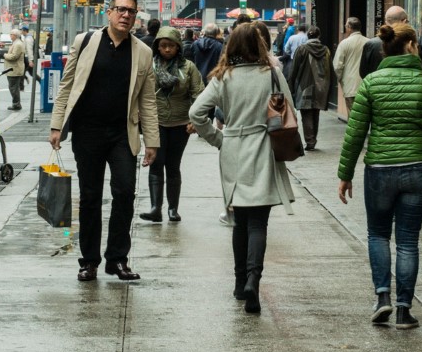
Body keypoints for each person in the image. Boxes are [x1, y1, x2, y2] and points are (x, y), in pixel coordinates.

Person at [338, 23, 422, 329]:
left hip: (378, 170)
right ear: (411, 45)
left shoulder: (371, 83)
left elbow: (355, 133)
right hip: (418, 170)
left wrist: (345, 174)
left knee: (378, 235)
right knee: (407, 241)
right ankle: (404, 309)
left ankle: (382, 298)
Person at [49, 0, 159, 282]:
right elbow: (66, 85)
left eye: (131, 12)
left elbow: (147, 101)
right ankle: (89, 261)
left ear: (136, 18)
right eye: (120, 10)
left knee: (124, 193)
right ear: (109, 12)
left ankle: (117, 259)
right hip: (88, 132)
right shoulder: (84, 43)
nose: (125, 15)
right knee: (90, 197)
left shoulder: (143, 53)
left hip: (123, 134)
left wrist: (152, 141)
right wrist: (57, 125)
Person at [190, 24, 296, 314]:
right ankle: (253, 281)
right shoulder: (272, 75)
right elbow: (291, 111)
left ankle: (239, 283)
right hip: (264, 148)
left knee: (240, 221)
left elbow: (196, 113)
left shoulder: (223, 77)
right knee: (259, 222)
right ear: (260, 45)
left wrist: (217, 138)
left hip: (233, 148)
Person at [140, 26, 205, 223]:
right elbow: (141, 94)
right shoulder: (149, 66)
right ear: (157, 47)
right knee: (156, 163)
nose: (167, 50)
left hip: (180, 124)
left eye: (171, 46)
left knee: (173, 165)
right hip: (155, 123)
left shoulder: (189, 68)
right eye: (163, 46)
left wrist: (195, 120)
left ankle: (172, 209)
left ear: (178, 47)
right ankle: (155, 208)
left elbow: (199, 94)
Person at [288, 26, 335, 151]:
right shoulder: (326, 50)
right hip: (321, 87)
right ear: (318, 36)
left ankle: (310, 141)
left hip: (305, 87)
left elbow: (294, 70)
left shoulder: (301, 49)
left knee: (306, 113)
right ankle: (313, 139)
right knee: (316, 112)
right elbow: (330, 69)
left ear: (308, 36)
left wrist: (291, 86)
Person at [360, 6, 411, 80]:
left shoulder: (371, 44)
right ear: (404, 21)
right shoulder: (410, 44)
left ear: (386, 21)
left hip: (376, 88)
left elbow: (363, 72)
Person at [333, 17, 368, 112]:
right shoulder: (368, 42)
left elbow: (337, 66)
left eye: (346, 26)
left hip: (350, 86)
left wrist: (340, 80)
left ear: (349, 27)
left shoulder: (344, 43)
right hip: (367, 85)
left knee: (353, 117)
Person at [3, 29, 26, 111]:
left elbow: (14, 56)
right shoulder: (16, 43)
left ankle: (16, 104)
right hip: (13, 69)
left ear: (15, 35)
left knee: (13, 88)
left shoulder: (18, 44)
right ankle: (16, 103)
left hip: (14, 69)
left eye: (11, 34)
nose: (10, 35)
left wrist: (5, 55)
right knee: (13, 87)